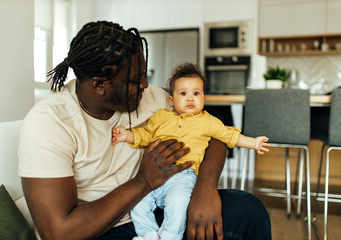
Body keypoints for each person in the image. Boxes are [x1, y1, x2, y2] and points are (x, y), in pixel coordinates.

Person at [18, 20, 272, 240]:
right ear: (99, 85)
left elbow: (213, 134)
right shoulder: (49, 123)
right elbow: (60, 233)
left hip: (162, 205)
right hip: (100, 230)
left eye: (143, 73)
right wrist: (144, 181)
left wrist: (205, 189)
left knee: (249, 211)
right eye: (134, 79)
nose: (145, 84)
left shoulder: (152, 98)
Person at [111, 63, 270, 240]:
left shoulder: (207, 121)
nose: (190, 98)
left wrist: (254, 142)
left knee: (178, 205)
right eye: (183, 93)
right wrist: (127, 135)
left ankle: (170, 236)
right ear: (171, 100)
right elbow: (145, 135)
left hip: (182, 176)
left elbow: (229, 135)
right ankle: (148, 234)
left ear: (203, 97)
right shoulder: (161, 117)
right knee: (138, 205)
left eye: (196, 93)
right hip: (153, 176)